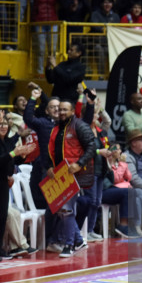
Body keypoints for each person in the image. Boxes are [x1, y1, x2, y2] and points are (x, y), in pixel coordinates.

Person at [0, 112, 34, 260]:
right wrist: (13, 153)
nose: (4, 126)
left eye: (6, 124)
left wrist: (22, 156)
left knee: (3, 215)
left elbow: (11, 162)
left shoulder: (7, 141)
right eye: (1, 123)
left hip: (3, 180)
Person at [47, 99, 97, 257]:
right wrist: (49, 166)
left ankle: (68, 245)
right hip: (60, 175)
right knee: (63, 210)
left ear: (72, 111)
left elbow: (92, 146)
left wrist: (79, 163)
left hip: (75, 173)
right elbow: (50, 150)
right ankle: (78, 240)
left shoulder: (80, 125)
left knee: (67, 210)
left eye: (65, 110)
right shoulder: (55, 128)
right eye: (60, 109)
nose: (61, 112)